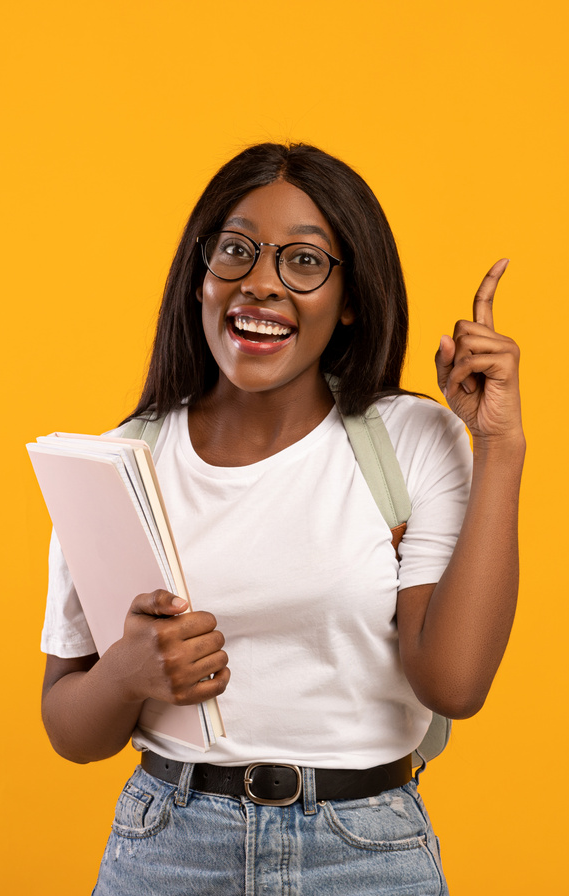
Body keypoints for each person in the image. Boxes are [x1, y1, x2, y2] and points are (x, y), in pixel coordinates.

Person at [39, 142, 524, 895]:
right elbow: (70, 727)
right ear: (200, 279)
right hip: (167, 849)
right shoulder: (116, 464)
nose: (260, 283)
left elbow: (454, 684)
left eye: (303, 261)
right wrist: (128, 675)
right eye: (235, 251)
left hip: (366, 855)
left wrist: (497, 443)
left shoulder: (410, 442)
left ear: (351, 297)